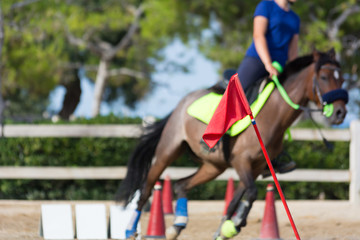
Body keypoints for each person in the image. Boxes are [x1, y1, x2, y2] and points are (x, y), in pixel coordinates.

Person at [237, 0, 300, 176]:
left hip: (280, 67)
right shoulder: (266, 6)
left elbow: (293, 52)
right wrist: (267, 64)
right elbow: (258, 36)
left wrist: (294, 73)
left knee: (281, 110)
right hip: (257, 60)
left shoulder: (295, 18)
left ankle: (272, 156)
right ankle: (216, 137)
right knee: (237, 92)